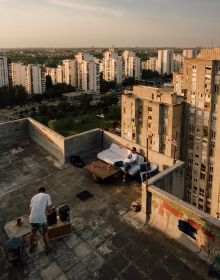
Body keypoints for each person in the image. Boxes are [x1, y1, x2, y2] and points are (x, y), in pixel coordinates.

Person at [29, 187, 52, 254]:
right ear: (44, 191)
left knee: (33, 232)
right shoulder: (47, 195)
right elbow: (49, 210)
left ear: (38, 192)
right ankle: (48, 248)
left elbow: (30, 210)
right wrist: (51, 210)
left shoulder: (33, 198)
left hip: (32, 218)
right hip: (41, 219)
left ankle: (32, 246)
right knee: (45, 233)